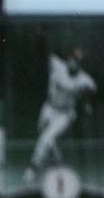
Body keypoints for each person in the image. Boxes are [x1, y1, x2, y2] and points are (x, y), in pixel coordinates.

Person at [23, 48, 97, 183]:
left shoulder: (84, 79)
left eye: (77, 61)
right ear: (68, 59)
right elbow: (42, 53)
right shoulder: (57, 65)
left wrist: (88, 104)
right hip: (49, 108)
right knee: (45, 137)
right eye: (72, 59)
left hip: (65, 114)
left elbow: (92, 90)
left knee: (46, 138)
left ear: (80, 65)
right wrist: (41, 36)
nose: (74, 63)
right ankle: (57, 163)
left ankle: (32, 168)